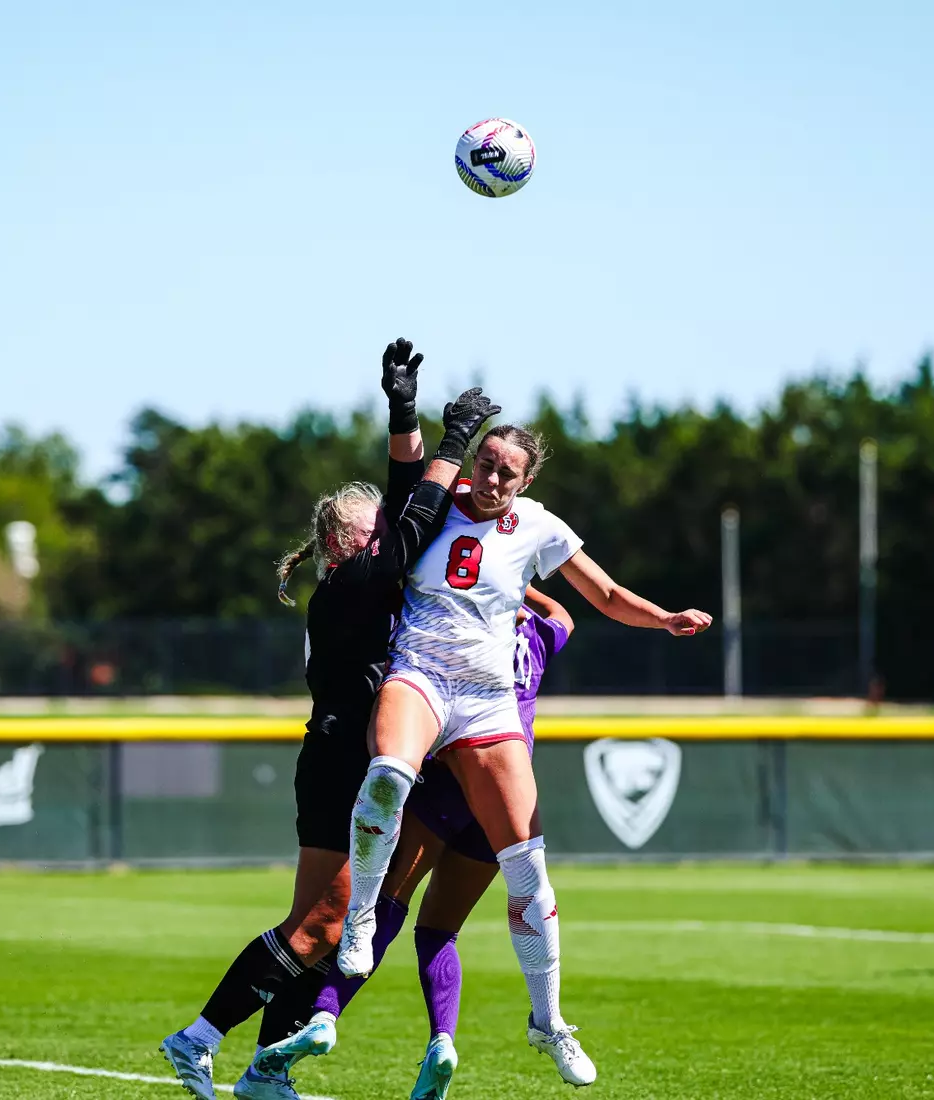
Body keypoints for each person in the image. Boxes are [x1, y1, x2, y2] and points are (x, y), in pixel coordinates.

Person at [159, 339, 501, 1100]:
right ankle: (198, 1038)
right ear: (348, 540)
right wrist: (452, 440)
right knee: (320, 929)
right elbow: (413, 516)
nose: (386, 530)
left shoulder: (359, 576)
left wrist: (402, 411)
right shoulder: (350, 585)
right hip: (345, 761)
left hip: (341, 757)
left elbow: (408, 496)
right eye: (373, 526)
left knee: (331, 926)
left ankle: (260, 1072)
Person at [338, 426, 712, 1088]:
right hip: (422, 673)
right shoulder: (437, 496)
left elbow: (600, 595)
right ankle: (359, 924)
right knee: (388, 777)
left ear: (525, 482)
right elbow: (404, 471)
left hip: (487, 700)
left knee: (528, 871)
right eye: (484, 463)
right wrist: (410, 415)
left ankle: (548, 1023)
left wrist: (662, 617)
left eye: (506, 473)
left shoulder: (537, 525)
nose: (490, 479)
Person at [250, 587, 575, 1100]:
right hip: (504, 797)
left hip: (447, 785)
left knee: (383, 907)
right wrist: (521, 580)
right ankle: (442, 1041)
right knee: (441, 932)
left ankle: (324, 1015)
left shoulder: (464, 631)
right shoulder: (536, 637)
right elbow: (562, 615)